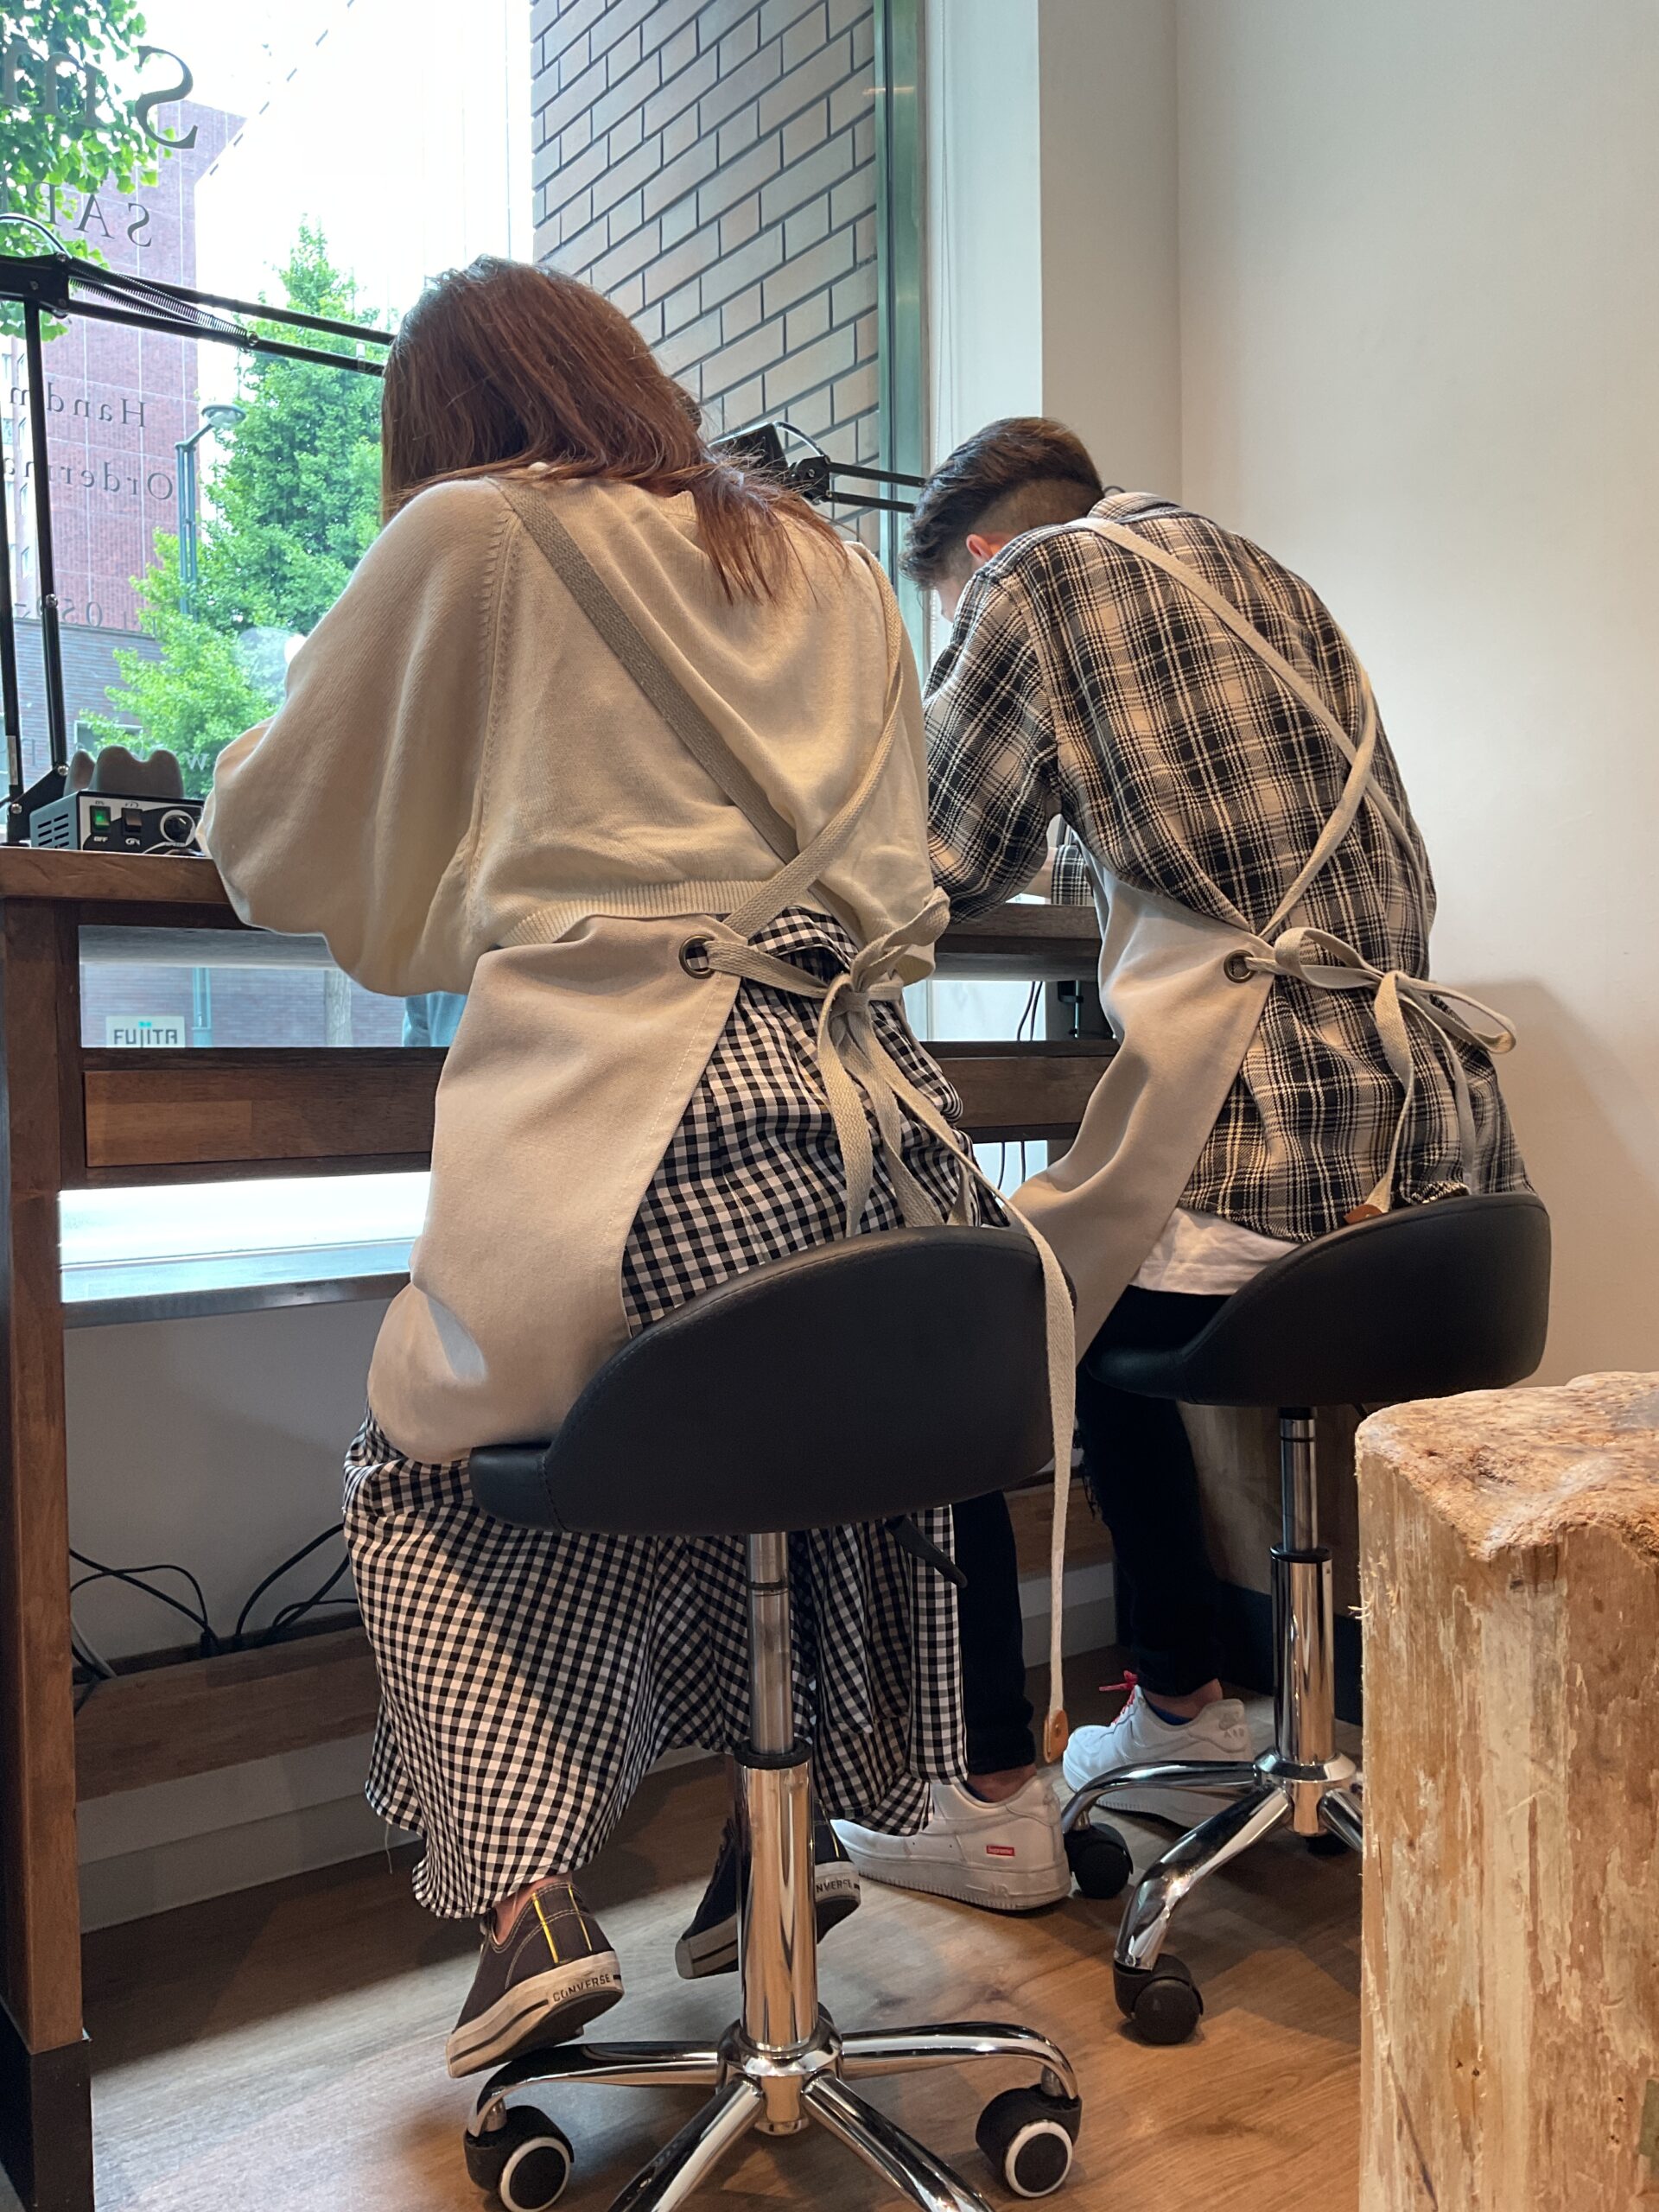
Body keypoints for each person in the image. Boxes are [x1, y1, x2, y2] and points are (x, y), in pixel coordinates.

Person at [200, 257, 1010, 2076]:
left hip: (656, 1125)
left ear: (444, 424)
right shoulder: (827, 565)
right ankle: (776, 1841)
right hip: (898, 1144)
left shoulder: (475, 531)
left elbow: (274, 835)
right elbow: (909, 886)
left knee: (422, 1466)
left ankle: (530, 1898)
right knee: (784, 1426)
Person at [839, 416, 1528, 1890]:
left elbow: (928, 862)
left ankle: (999, 1781)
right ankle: (1183, 1695)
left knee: (972, 1313)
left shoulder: (1037, 583)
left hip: (1270, 1150)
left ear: (982, 556)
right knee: (1089, 1312)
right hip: (1437, 1162)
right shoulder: (1270, 583)